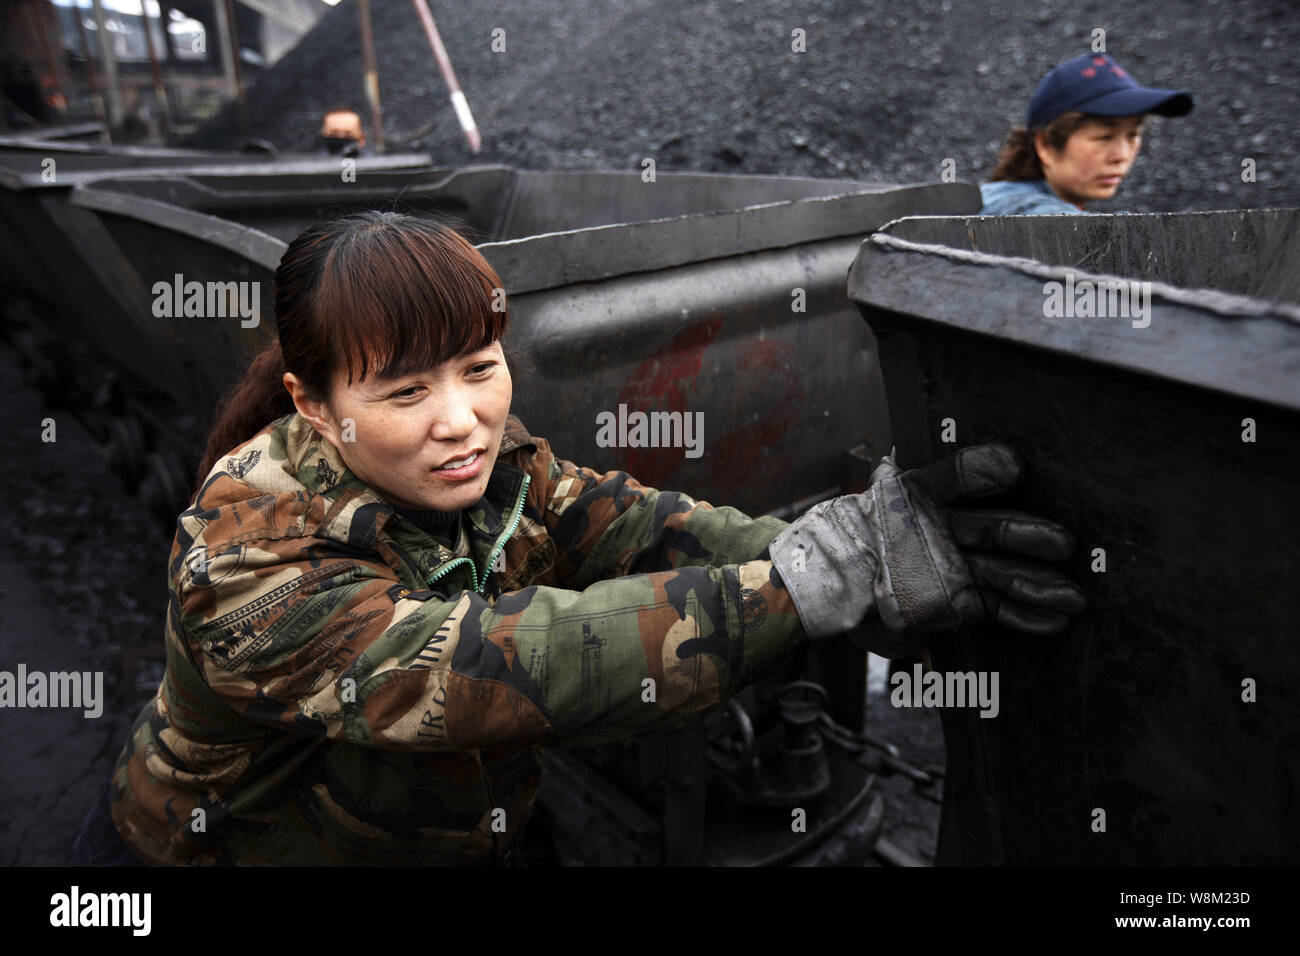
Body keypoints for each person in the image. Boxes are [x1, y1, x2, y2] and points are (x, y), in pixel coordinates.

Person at [79, 211, 1086, 866]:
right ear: (312, 400)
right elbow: (472, 669)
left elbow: (638, 526)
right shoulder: (246, 551)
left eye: (478, 365)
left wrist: (848, 546)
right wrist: (801, 589)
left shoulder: (496, 463)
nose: (460, 418)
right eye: (404, 390)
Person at [980, 52, 1192, 215]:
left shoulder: (995, 198)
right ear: (1045, 146)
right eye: (1104, 137)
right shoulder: (1039, 216)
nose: (1121, 155)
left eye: (1132, 135)